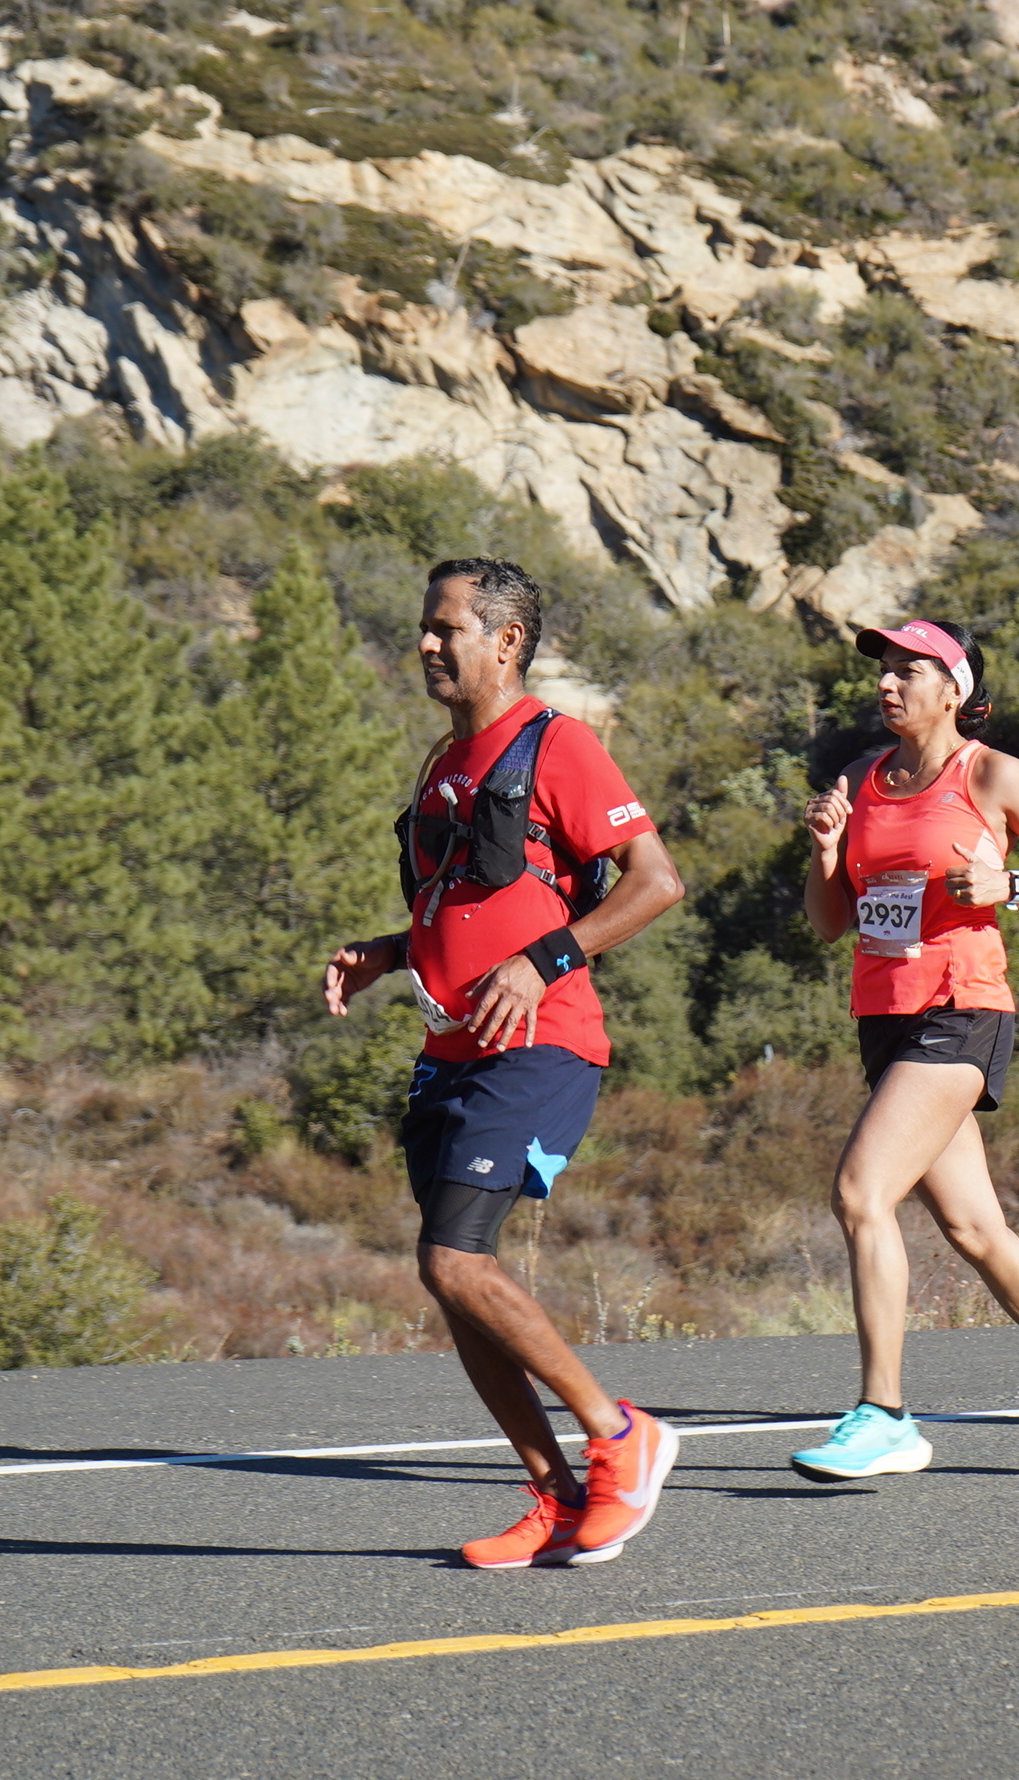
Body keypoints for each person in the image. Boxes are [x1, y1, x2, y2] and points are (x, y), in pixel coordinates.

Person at [323, 557, 687, 1566]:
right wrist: (387, 952)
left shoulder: (557, 744)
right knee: (452, 1277)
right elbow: (468, 903)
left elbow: (656, 881)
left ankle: (621, 1433)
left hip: (540, 1044)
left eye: (447, 628)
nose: (426, 643)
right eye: (426, 625)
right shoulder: (443, 759)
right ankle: (557, 1498)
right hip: (448, 1049)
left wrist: (544, 960)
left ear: (506, 640)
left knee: (454, 1258)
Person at [790, 617, 1019, 1482]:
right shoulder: (860, 780)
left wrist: (1011, 884)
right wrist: (826, 852)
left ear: (954, 688)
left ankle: (884, 1415)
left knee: (860, 1193)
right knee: (973, 1229)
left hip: (960, 1008)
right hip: (885, 1017)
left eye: (908, 671)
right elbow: (829, 923)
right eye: (884, 671)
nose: (887, 684)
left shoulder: (992, 774)